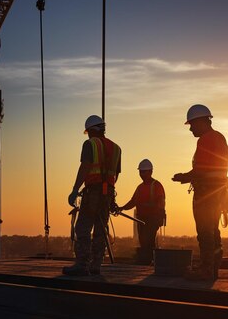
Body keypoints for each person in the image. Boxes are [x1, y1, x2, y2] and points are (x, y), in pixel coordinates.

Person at [172, 104, 228, 281]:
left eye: (192, 124)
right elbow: (225, 164)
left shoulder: (206, 139)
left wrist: (184, 176)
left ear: (201, 122)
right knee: (213, 231)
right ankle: (212, 269)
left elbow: (201, 169)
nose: (190, 128)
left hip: (207, 193)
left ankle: (206, 270)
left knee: (206, 232)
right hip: (217, 192)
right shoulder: (218, 137)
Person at [63, 114, 122, 276]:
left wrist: (75, 189)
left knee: (82, 227)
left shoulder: (90, 144)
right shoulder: (116, 148)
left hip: (93, 192)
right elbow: (116, 174)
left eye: (88, 131)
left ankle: (82, 264)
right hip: (107, 193)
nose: (87, 134)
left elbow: (85, 167)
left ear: (91, 130)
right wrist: (110, 196)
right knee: (101, 228)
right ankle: (96, 264)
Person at [118, 159, 166, 265]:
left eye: (144, 172)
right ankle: (146, 262)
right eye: (141, 172)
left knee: (148, 241)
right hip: (141, 219)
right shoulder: (140, 188)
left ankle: (148, 262)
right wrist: (121, 208)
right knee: (143, 241)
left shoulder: (156, 185)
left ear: (150, 171)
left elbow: (161, 201)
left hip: (152, 218)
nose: (142, 174)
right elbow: (133, 202)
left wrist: (159, 215)